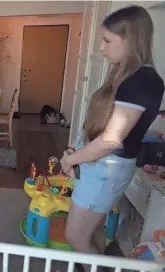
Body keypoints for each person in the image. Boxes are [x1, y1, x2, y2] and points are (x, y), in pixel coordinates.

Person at [60, 5, 164, 266]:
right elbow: (100, 123)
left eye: (107, 40)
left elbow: (110, 139)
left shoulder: (142, 81)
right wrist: (77, 150)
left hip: (106, 168)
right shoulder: (125, 75)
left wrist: (71, 161)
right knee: (91, 231)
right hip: (99, 165)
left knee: (74, 236)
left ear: (129, 39)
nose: (101, 48)